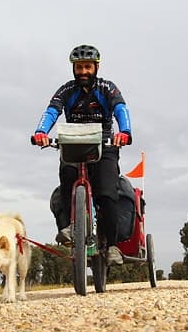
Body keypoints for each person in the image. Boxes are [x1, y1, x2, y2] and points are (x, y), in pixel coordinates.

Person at [31, 44, 133, 265]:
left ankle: (113, 246)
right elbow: (52, 111)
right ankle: (68, 226)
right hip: (73, 142)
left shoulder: (107, 87)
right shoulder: (67, 90)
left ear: (95, 67)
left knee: (107, 194)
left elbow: (120, 109)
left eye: (87, 67)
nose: (83, 72)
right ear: (74, 69)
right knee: (67, 179)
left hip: (104, 143)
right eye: (79, 68)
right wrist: (41, 132)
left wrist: (124, 132)